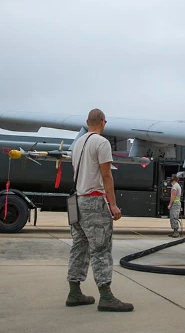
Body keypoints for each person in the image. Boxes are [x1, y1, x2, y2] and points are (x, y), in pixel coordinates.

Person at [65, 108, 133, 312]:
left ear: (87, 122)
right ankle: (105, 296)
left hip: (77, 200)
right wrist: (112, 204)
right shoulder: (102, 143)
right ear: (104, 122)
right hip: (94, 202)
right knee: (101, 249)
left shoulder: (78, 143)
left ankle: (74, 291)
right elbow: (106, 176)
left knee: (79, 247)